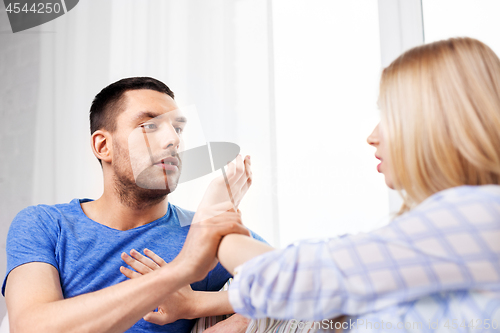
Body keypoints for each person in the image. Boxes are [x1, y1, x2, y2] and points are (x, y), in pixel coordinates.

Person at [125, 38, 500, 331]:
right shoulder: (63, 225)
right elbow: (332, 282)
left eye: (389, 115)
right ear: (101, 145)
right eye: (150, 126)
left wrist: (213, 221)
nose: (372, 136)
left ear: (436, 122)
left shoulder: (479, 214)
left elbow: (294, 277)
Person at [2, 77, 264, 332]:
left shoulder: (202, 231)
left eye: (178, 129)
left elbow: (298, 286)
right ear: (103, 146)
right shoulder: (46, 224)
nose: (173, 140)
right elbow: (29, 327)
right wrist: (182, 268)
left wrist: (197, 305)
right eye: (150, 126)